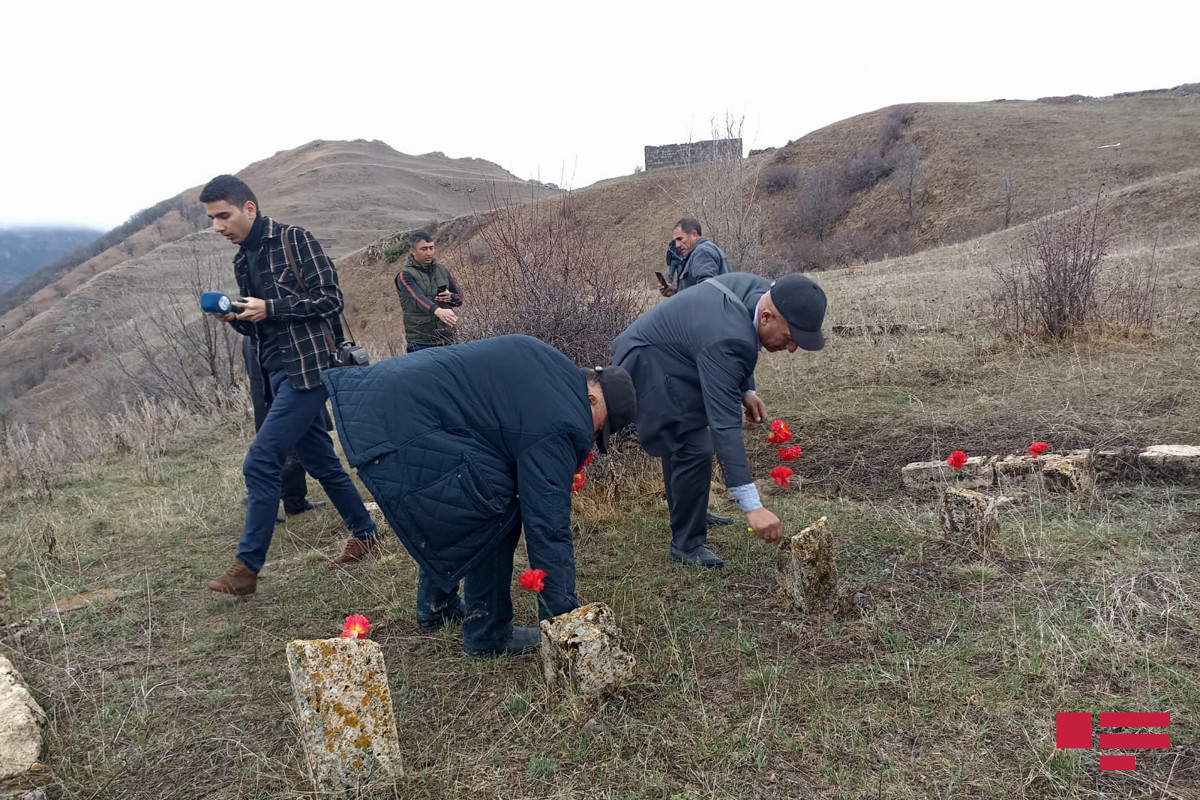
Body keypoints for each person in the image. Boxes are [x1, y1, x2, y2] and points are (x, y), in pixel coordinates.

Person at [320, 335, 637, 659]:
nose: (594, 435)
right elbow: (548, 528)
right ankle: (488, 635)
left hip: (383, 409)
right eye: (601, 428)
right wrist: (567, 629)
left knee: (464, 499)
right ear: (592, 398)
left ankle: (437, 605)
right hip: (402, 428)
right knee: (493, 510)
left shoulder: (554, 370)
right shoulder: (562, 418)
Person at [200, 174, 381, 596]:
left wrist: (272, 307)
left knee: (260, 460)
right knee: (320, 461)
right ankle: (366, 532)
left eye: (223, 216)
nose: (217, 227)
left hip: (312, 367)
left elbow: (330, 299)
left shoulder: (293, 240)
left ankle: (246, 568)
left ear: (249, 208)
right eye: (211, 219)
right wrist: (240, 319)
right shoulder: (242, 260)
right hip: (275, 372)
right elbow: (261, 329)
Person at [613, 272, 828, 568]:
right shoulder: (728, 336)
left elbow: (746, 340)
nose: (791, 349)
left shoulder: (764, 294)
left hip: (674, 353)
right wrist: (753, 507)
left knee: (690, 439)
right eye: (790, 339)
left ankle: (692, 508)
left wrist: (747, 390)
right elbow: (725, 426)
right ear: (768, 317)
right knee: (692, 443)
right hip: (648, 360)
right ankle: (686, 544)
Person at [240, 335, 326, 521]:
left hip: (274, 397)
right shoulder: (266, 331)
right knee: (293, 453)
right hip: (284, 397)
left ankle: (295, 502)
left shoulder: (252, 334)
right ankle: (258, 495)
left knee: (296, 449)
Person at [395, 231, 463, 352]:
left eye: (431, 248)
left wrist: (451, 297)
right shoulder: (404, 275)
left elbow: (460, 299)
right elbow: (418, 299)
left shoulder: (441, 269)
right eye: (424, 249)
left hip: (448, 338)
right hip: (421, 342)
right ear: (412, 251)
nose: (429, 253)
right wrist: (438, 311)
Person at [658, 218, 731, 298]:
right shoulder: (701, 251)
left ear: (694, 235)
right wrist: (675, 293)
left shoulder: (702, 252)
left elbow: (707, 292)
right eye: (675, 241)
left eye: (680, 239)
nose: (677, 245)